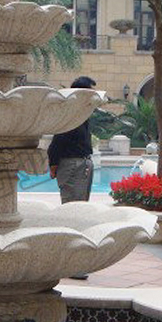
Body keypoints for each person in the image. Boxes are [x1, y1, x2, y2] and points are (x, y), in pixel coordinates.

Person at [47, 75, 97, 279]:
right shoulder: (70, 113)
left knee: (80, 212)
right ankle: (72, 265)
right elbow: (57, 142)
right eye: (90, 93)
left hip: (82, 164)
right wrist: (53, 164)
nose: (93, 97)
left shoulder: (83, 113)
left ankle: (75, 260)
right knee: (73, 214)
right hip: (72, 165)